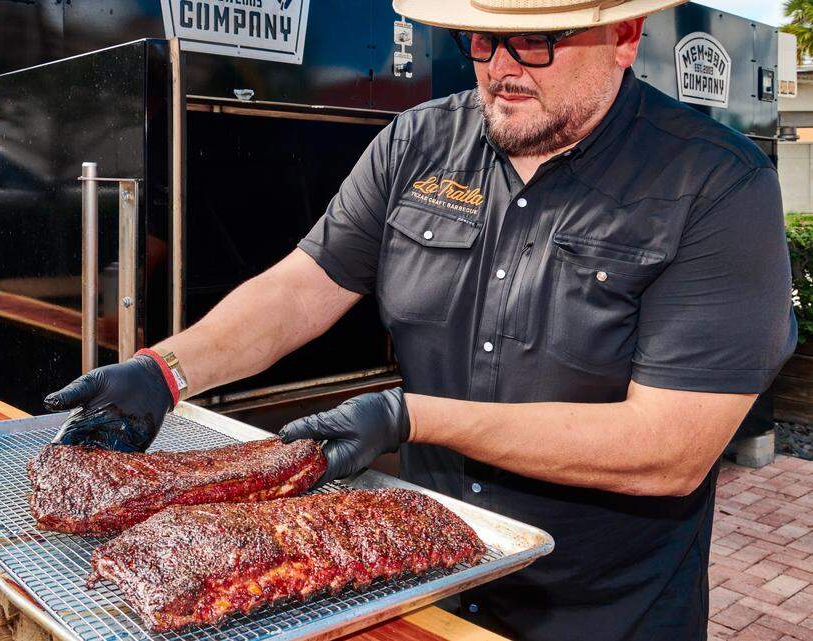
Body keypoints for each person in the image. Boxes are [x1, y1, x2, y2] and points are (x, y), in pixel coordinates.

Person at [43, 0, 797, 637]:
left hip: (600, 609)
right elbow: (304, 285)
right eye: (481, 39)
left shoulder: (717, 186)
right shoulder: (419, 142)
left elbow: (668, 448)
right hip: (420, 583)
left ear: (624, 36)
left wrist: (414, 416)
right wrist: (167, 368)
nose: (501, 68)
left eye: (535, 40)